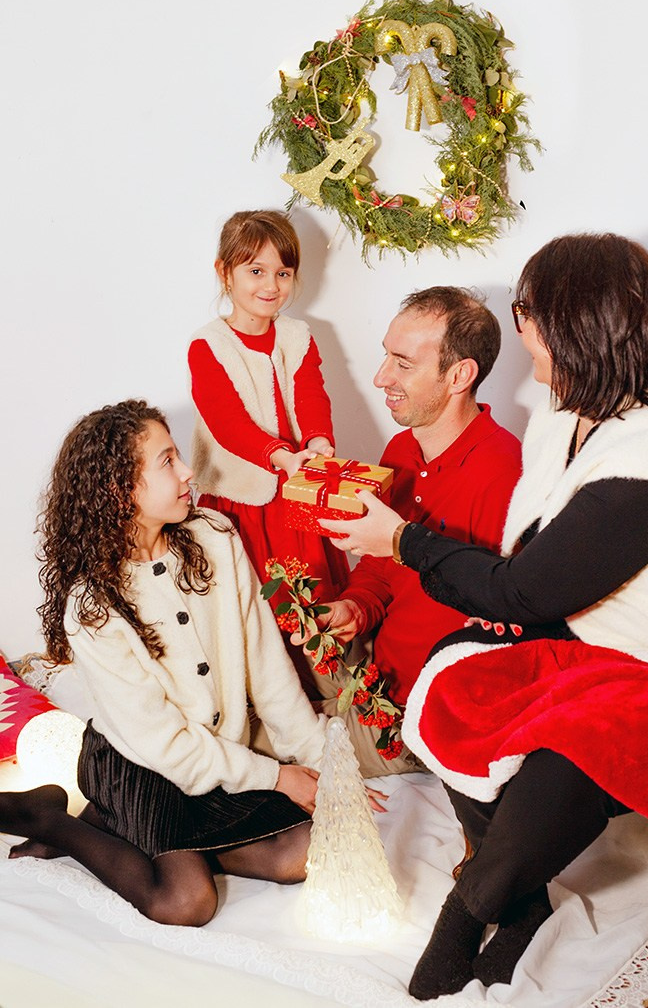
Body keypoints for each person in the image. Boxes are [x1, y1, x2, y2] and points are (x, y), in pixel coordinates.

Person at [321, 234, 648, 998]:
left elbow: (523, 590)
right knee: (455, 680)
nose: (521, 328)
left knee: (576, 739)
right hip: (589, 636)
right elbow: (532, 567)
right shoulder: (568, 417)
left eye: (530, 313)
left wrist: (402, 540)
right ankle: (523, 898)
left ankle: (468, 912)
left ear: (577, 325)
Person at [0, 399, 355, 926]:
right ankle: (53, 821)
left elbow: (268, 668)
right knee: (185, 901)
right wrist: (277, 778)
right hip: (139, 763)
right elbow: (161, 742)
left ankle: (120, 827)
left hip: (216, 757)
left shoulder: (216, 537)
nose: (188, 471)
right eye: (168, 461)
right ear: (120, 488)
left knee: (303, 853)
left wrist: (323, 768)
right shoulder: (93, 605)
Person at [308, 287, 521, 777]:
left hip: (416, 718)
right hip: (371, 670)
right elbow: (381, 566)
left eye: (403, 364)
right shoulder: (402, 451)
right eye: (386, 355)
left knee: (256, 743)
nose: (381, 377)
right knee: (248, 687)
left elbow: (499, 617)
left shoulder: (503, 473)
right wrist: (355, 606)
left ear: (459, 376)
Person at [188, 210, 350, 697]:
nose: (271, 285)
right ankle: (264, 692)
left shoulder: (298, 335)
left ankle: (322, 687)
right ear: (225, 272)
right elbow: (228, 422)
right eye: (255, 271)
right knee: (255, 598)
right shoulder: (209, 346)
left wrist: (318, 441)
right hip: (242, 497)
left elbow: (312, 393)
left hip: (295, 488)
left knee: (311, 587)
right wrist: (278, 455)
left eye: (283, 272)